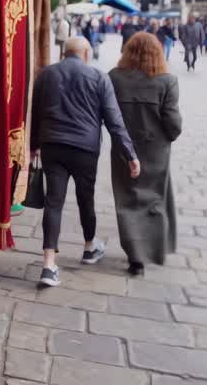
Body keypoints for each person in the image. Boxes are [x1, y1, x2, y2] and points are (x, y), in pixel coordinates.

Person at [30, 37, 140, 288]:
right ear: (86, 53)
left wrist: (33, 145)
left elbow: (35, 112)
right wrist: (130, 155)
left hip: (52, 146)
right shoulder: (100, 78)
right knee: (85, 198)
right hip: (85, 149)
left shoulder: (46, 75)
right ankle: (89, 248)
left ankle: (48, 266)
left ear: (64, 52)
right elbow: (115, 121)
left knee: (54, 202)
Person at [108, 33, 182, 276]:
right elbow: (173, 124)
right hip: (155, 150)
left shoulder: (115, 78)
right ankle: (153, 250)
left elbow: (107, 115)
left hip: (123, 148)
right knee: (152, 199)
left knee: (126, 199)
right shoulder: (167, 81)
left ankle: (135, 257)